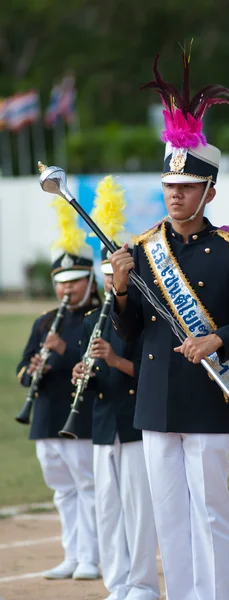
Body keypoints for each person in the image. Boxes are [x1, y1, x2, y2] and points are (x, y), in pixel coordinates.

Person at [109, 50, 229, 600]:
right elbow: (130, 330)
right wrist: (118, 289)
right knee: (168, 514)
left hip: (208, 390)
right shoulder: (141, 249)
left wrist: (218, 338)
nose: (175, 194)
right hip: (157, 395)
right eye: (169, 186)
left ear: (209, 191)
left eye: (186, 187)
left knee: (210, 509)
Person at [72, 176, 160, 600]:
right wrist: (82, 374)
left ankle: (142, 583)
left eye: (116, 276)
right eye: (105, 277)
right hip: (102, 426)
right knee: (108, 510)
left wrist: (114, 359)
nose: (111, 283)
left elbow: (150, 373)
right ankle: (118, 583)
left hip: (133, 424)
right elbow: (97, 374)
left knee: (139, 510)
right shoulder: (92, 321)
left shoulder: (141, 318)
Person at [16, 199, 100, 580]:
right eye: (61, 283)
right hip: (47, 413)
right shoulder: (45, 320)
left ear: (89, 280)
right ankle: (73, 554)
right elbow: (23, 365)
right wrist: (29, 370)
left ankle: (93, 557)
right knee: (63, 492)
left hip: (80, 416)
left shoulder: (100, 316)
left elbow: (96, 362)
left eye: (75, 281)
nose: (67, 289)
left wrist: (64, 352)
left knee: (88, 487)